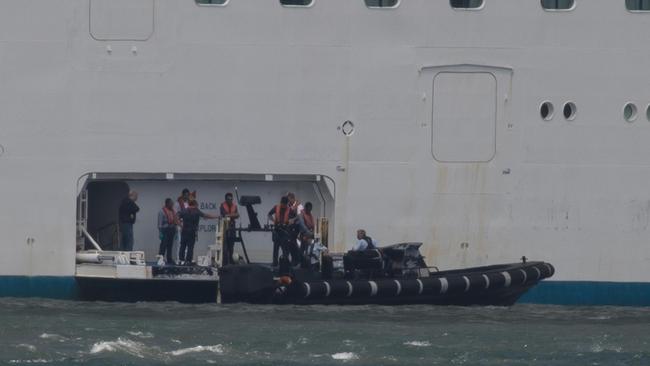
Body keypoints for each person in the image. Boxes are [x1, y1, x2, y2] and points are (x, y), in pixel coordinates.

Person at [177, 199, 218, 265]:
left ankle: (181, 260)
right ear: (195, 204)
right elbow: (206, 216)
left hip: (184, 231)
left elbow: (176, 218)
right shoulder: (196, 211)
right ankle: (188, 261)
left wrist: (180, 225)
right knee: (190, 247)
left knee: (182, 246)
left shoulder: (184, 211)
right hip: (192, 232)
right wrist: (216, 216)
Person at [268, 196, 291, 266]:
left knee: (285, 249)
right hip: (277, 230)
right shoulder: (276, 207)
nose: (283, 206)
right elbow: (269, 214)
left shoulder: (290, 209)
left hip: (284, 231)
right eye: (282, 204)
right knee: (276, 248)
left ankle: (285, 263)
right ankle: (275, 263)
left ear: (287, 204)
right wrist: (273, 220)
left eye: (285, 204)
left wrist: (289, 222)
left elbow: (295, 218)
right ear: (281, 202)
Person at [220, 192, 240, 265]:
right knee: (225, 247)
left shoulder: (235, 206)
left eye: (231, 199)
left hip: (232, 227)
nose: (230, 200)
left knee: (231, 246)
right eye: (228, 199)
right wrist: (233, 215)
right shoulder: (222, 205)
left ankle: (231, 261)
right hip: (225, 227)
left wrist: (230, 215)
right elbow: (224, 215)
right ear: (225, 199)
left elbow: (237, 215)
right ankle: (225, 263)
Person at [158, 198, 179, 264]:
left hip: (172, 230)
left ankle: (169, 259)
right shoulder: (161, 212)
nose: (172, 205)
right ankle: (160, 259)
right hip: (165, 230)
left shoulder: (173, 211)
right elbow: (159, 224)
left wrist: (175, 230)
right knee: (163, 245)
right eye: (171, 203)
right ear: (167, 204)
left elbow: (175, 221)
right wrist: (160, 232)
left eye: (172, 203)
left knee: (170, 245)